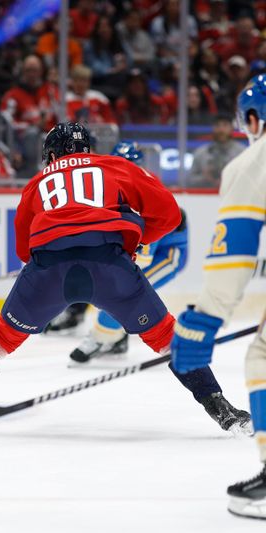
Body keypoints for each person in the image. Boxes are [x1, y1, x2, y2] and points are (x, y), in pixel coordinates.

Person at [0, 123, 182, 430]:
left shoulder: (36, 182)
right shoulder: (116, 166)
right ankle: (219, 405)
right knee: (165, 336)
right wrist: (131, 240)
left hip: (48, 272)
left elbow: (23, 249)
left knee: (0, 336)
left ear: (53, 154)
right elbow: (170, 215)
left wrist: (49, 265)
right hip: (110, 266)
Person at [67, 142, 251, 433]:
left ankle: (105, 338)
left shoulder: (137, 190)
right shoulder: (116, 187)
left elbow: (143, 251)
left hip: (169, 254)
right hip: (151, 248)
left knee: (124, 292)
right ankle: (113, 338)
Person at [170, 75, 266, 520]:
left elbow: (234, 259)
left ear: (251, 118)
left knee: (262, 356)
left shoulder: (252, 164)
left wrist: (205, 320)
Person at [188, 115, 245, 189]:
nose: (221, 129)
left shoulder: (242, 152)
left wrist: (231, 178)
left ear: (232, 128)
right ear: (213, 128)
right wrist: (204, 178)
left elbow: (249, 179)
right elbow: (189, 181)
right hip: (205, 197)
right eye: (217, 125)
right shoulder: (201, 153)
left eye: (225, 125)